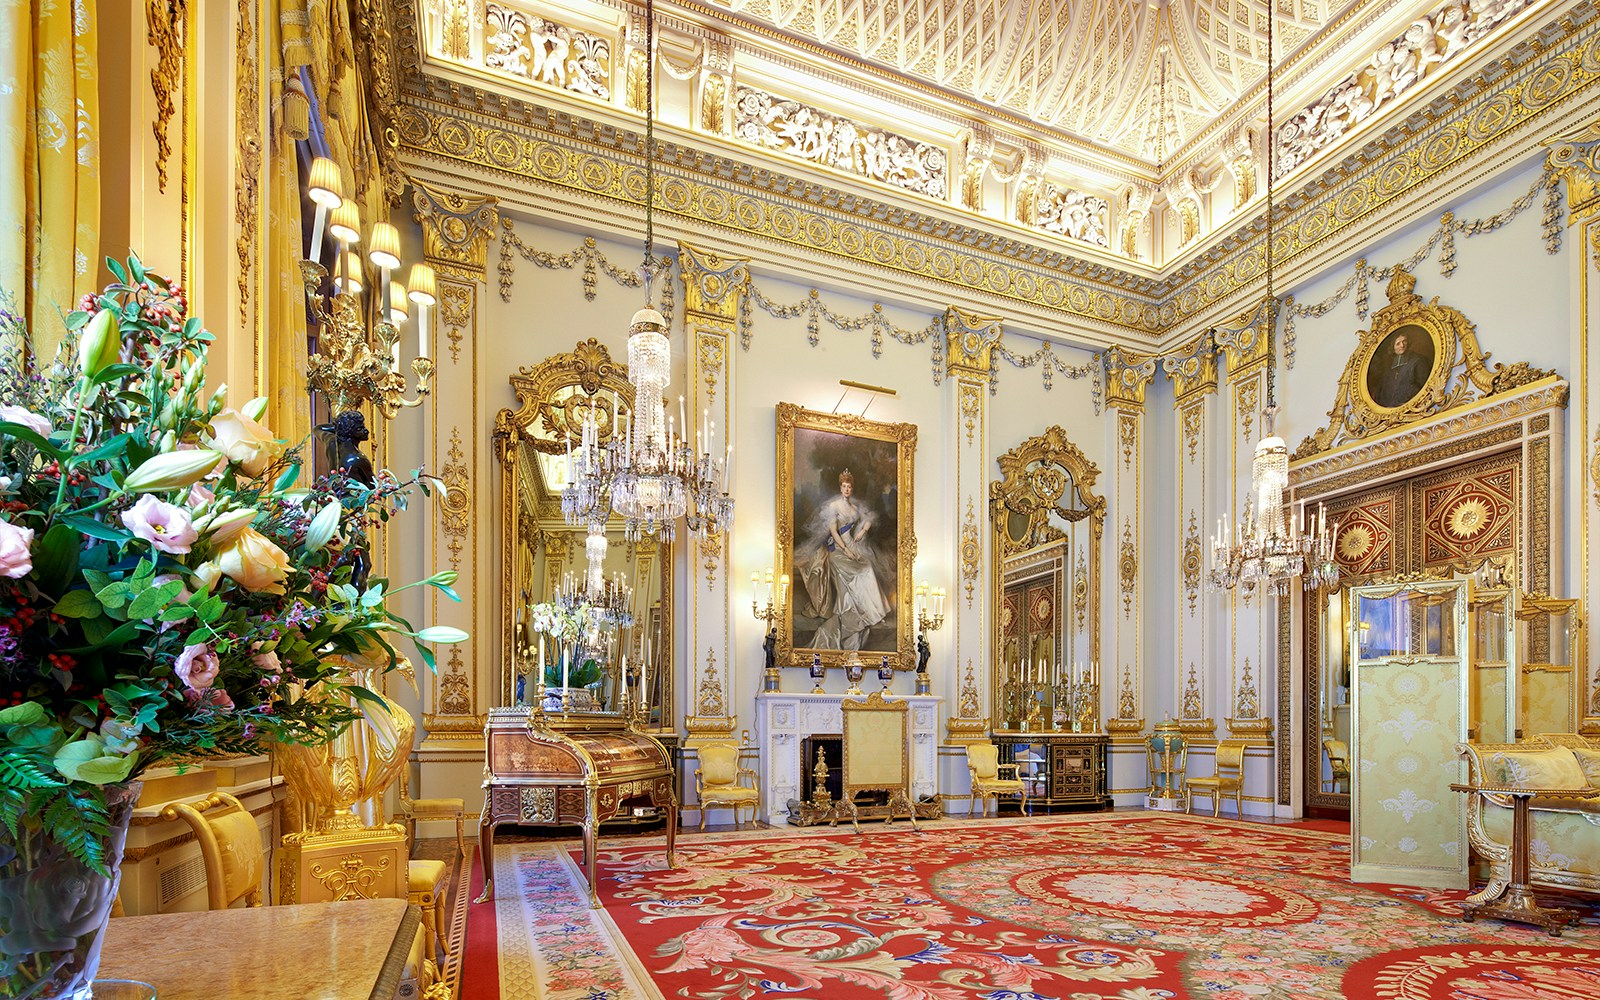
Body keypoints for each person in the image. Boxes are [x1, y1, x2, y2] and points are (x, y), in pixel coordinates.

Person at [792, 468, 891, 650]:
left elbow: (869, 518)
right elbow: (833, 532)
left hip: (853, 545)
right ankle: (854, 611)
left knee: (867, 568)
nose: (846, 489)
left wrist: (862, 531)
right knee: (850, 572)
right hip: (837, 549)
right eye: (844, 486)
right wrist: (846, 551)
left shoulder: (854, 507)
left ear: (852, 489)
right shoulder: (834, 506)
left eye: (849, 487)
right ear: (840, 488)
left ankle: (872, 611)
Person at [1371, 330, 1428, 407]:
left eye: (1404, 341)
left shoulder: (1417, 360)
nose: (1402, 345)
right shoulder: (1388, 369)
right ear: (1392, 347)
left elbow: (1423, 385)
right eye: (1398, 344)